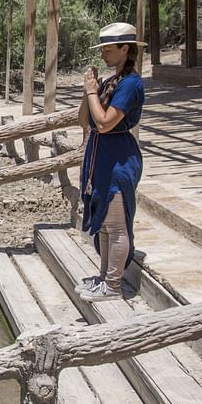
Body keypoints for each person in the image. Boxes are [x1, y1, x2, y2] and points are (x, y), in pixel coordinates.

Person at [76, 22, 145, 302]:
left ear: (125, 49)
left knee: (116, 225)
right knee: (104, 223)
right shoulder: (108, 84)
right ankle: (104, 278)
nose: (103, 54)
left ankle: (114, 285)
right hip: (100, 158)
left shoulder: (131, 84)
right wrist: (88, 91)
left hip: (117, 159)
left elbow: (104, 123)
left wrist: (93, 93)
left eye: (107, 49)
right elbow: (86, 121)